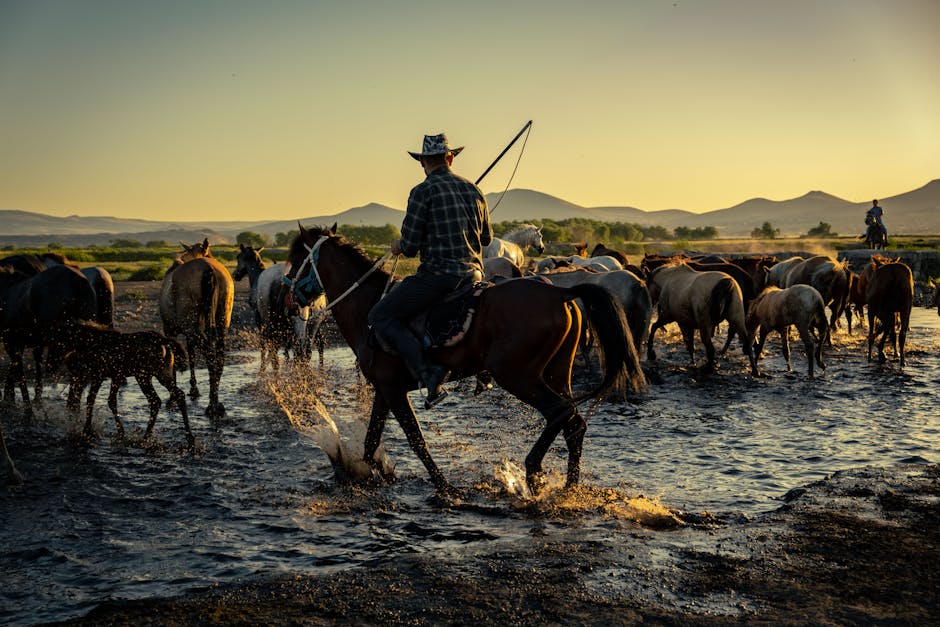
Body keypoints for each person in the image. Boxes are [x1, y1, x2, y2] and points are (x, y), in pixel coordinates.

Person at [367, 133, 492, 408]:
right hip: (474, 276)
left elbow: (410, 246)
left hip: (439, 277)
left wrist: (398, 245)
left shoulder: (422, 192)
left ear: (423, 162)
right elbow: (486, 240)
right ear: (450, 158)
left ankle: (428, 371)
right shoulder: (474, 189)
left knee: (380, 315)